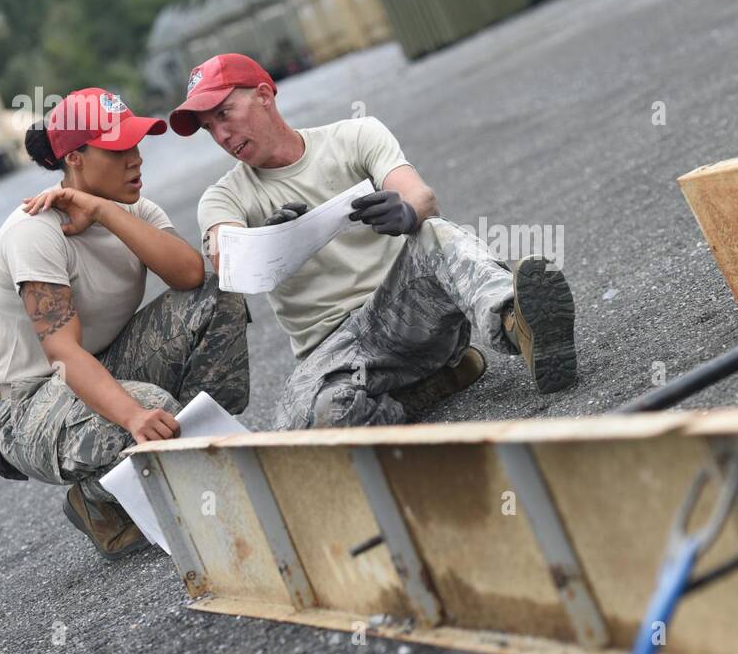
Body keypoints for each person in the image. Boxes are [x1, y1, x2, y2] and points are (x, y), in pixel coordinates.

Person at [170, 54, 578, 431]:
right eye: (209, 128)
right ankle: (424, 392)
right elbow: (227, 260)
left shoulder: (355, 136)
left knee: (434, 232)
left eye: (224, 114)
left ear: (262, 96)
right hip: (335, 354)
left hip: (407, 314)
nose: (221, 135)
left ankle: (519, 324)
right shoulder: (224, 196)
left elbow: (422, 197)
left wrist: (405, 213)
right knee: (308, 425)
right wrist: (264, 241)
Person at [0, 88, 250, 560]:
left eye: (137, 144)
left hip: (107, 362)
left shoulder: (132, 209)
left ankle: (185, 459)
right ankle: (98, 498)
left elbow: (190, 276)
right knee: (149, 408)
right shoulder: (34, 230)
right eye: (118, 149)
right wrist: (133, 415)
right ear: (76, 158)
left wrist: (105, 211)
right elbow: (64, 354)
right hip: (31, 405)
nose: (136, 159)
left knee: (219, 298)